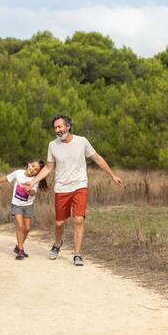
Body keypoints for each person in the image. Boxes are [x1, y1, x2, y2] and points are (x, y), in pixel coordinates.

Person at [24, 114, 122, 266]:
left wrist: (112, 175)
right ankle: (57, 243)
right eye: (55, 127)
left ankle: (77, 254)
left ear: (68, 126)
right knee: (59, 223)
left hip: (79, 186)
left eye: (60, 126)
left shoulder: (82, 141)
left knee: (78, 220)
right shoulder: (53, 145)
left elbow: (97, 158)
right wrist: (33, 181)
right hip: (62, 188)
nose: (58, 130)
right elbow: (49, 167)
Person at [0, 160, 48, 260]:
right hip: (16, 205)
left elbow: (33, 193)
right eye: (33, 166)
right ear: (29, 164)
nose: (33, 169)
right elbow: (5, 178)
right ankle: (21, 250)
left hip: (28, 206)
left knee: (27, 228)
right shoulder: (18, 173)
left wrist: (28, 190)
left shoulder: (35, 180)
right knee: (20, 226)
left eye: (36, 170)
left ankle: (18, 247)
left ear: (37, 173)